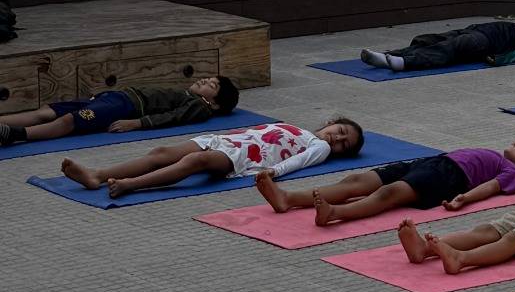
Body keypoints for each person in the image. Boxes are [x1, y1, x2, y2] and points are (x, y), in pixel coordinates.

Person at [254, 138, 515, 226]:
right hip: (433, 163)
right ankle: (288, 198)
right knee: (360, 179)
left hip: (449, 177)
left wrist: (464, 198)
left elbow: (490, 187)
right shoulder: (501, 158)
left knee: (390, 193)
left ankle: (336, 213)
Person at [61, 117, 364, 200]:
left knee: (193, 163)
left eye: (343, 145)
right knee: (161, 153)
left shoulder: (319, 146)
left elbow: (300, 161)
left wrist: (274, 172)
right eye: (339, 132)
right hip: (228, 140)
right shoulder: (296, 127)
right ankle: (97, 175)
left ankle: (129, 184)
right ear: (330, 122)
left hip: (244, 156)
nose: (336, 140)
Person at [0, 75, 240, 148]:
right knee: (46, 111)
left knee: (69, 120)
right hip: (116, 98)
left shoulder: (200, 107)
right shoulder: (189, 95)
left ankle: (15, 134)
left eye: (212, 85)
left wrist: (137, 123)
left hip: (124, 107)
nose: (205, 80)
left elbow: (171, 117)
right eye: (209, 78)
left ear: (215, 104)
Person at [360, 17, 515, 72]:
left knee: (447, 49)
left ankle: (404, 63)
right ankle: (389, 56)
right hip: (474, 31)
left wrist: (499, 59)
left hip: (485, 41)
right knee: (428, 40)